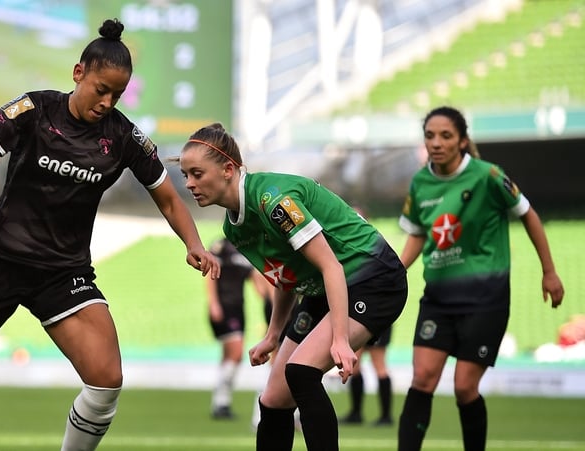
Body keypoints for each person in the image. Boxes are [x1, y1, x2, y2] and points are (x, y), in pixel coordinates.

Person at [0, 19, 219, 451]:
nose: (107, 102)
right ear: (78, 73)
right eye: (101, 89)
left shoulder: (124, 137)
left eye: (117, 95)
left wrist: (194, 245)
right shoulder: (34, 109)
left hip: (62, 273)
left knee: (106, 381)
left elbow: (167, 196)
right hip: (0, 260)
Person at [176, 123, 408, 451]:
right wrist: (273, 335)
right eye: (186, 175)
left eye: (197, 173)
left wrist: (341, 339)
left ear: (228, 169)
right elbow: (285, 276)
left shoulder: (275, 202)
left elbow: (331, 265)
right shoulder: (235, 228)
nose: (189, 184)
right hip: (324, 288)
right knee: (273, 400)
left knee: (301, 372)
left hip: (372, 278)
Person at [396, 106, 565, 451]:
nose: (437, 143)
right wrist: (395, 272)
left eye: (446, 135)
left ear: (462, 141)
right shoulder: (420, 182)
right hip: (438, 300)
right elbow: (416, 234)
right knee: (422, 379)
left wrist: (549, 272)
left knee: (463, 387)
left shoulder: (488, 176)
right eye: (430, 135)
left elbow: (528, 215)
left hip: (485, 300)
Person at [206, 237, 273, 420]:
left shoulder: (248, 248)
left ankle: (221, 403)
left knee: (229, 356)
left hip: (238, 308)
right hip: (224, 306)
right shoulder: (221, 247)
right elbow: (210, 276)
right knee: (235, 353)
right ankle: (221, 402)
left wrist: (271, 305)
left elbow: (256, 280)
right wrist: (213, 303)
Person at [338, 326, 393, 426]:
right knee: (354, 367)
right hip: (361, 323)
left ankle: (386, 416)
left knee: (379, 366)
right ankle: (356, 414)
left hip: (376, 322)